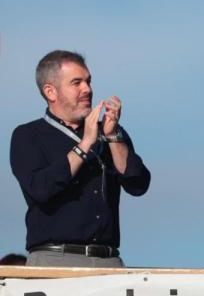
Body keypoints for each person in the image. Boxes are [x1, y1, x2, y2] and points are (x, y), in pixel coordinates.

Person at [9, 50, 151, 267]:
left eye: (88, 81)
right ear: (51, 91)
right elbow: (41, 189)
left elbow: (138, 184)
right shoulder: (28, 135)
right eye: (76, 83)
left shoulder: (110, 132)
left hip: (108, 259)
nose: (87, 89)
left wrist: (113, 136)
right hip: (55, 259)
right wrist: (84, 145)